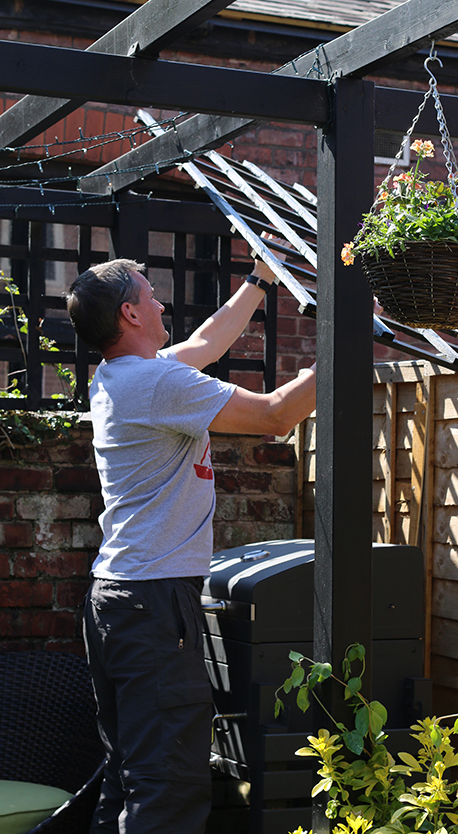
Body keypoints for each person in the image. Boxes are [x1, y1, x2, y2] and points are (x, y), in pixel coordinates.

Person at [65, 255, 316, 834]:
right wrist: (344, 346)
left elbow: (206, 341)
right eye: (150, 296)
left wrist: (259, 280)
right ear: (130, 312)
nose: (160, 304)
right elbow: (276, 417)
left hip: (118, 601)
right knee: (168, 783)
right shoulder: (154, 382)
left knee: (131, 772)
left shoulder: (124, 376)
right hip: (152, 604)